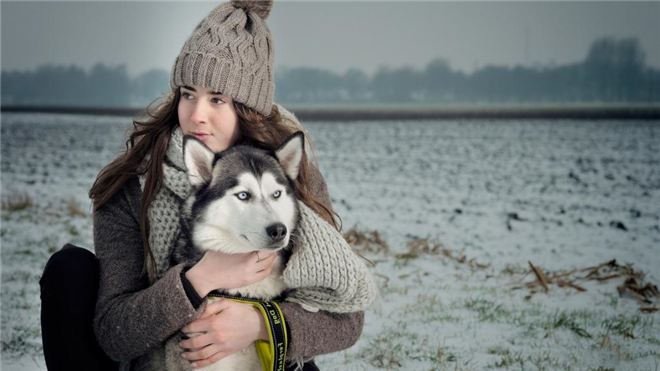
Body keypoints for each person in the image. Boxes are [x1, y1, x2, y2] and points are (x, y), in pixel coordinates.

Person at [39, 0, 377, 370]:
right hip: (162, 359)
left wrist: (259, 323)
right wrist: (200, 278)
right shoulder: (133, 184)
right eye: (187, 94)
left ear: (245, 109)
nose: (197, 115)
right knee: (68, 269)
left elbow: (347, 320)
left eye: (217, 99)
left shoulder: (284, 177)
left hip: (263, 356)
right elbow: (114, 334)